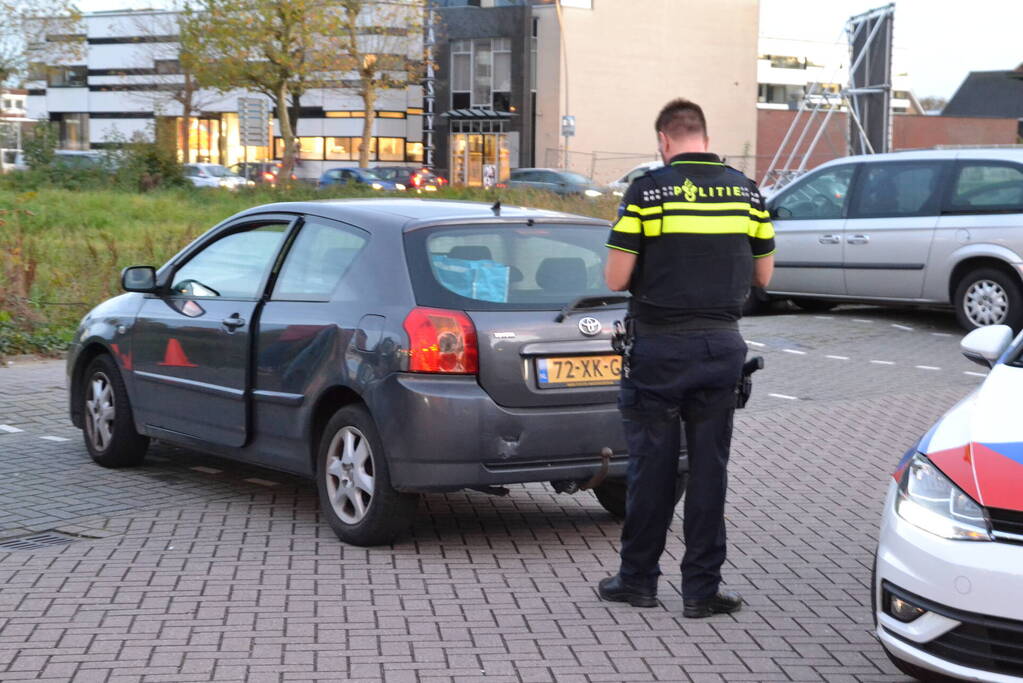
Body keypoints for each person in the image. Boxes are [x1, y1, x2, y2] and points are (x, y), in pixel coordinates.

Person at [597, 98, 775, 618]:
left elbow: (615, 278)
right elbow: (764, 277)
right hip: (721, 346)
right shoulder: (746, 191)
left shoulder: (648, 190)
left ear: (664, 140)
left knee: (651, 469)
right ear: (704, 134)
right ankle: (700, 590)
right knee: (709, 472)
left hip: (658, 348)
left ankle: (638, 582)